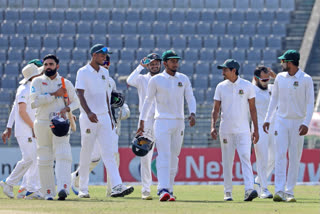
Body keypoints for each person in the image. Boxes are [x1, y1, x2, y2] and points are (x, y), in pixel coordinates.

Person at [75, 44, 133, 198]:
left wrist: (109, 117)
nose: (105, 58)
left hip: (104, 117)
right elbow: (79, 94)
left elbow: (106, 97)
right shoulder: (83, 72)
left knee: (109, 153)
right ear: (94, 55)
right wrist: (88, 112)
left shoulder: (104, 73)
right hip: (89, 117)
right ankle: (83, 189)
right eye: (102, 55)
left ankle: (117, 186)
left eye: (105, 56)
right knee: (86, 152)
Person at [138, 50, 196, 202]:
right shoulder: (156, 80)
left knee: (174, 157)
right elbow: (148, 101)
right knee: (163, 155)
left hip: (179, 122)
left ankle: (169, 189)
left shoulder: (183, 78)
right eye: (172, 61)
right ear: (165, 63)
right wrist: (142, 121)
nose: (175, 63)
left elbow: (190, 97)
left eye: (177, 61)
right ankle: (163, 188)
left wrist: (193, 113)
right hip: (162, 121)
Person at [263, 50, 314, 202]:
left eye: (283, 61)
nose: (282, 64)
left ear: (290, 62)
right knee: (280, 155)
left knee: (294, 157)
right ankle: (279, 190)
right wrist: (268, 119)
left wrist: (306, 123)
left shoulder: (306, 79)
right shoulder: (279, 77)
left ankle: (289, 191)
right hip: (281, 121)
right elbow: (274, 100)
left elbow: (310, 103)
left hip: (298, 122)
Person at [30, 54, 80, 200]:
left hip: (61, 123)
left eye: (51, 64)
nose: (48, 67)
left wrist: (67, 109)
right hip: (42, 122)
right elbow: (34, 102)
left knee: (63, 154)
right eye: (45, 65)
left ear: (57, 66)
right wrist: (53, 95)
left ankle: (63, 188)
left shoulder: (65, 82)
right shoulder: (37, 82)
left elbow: (76, 102)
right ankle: (48, 193)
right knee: (44, 158)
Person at [211, 59, 259, 202]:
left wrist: (256, 129)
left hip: (243, 130)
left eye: (225, 69)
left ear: (234, 71)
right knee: (227, 161)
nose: (223, 72)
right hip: (226, 130)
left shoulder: (247, 86)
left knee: (245, 158)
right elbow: (216, 109)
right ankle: (228, 192)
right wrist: (213, 125)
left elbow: (253, 109)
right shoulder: (220, 86)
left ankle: (249, 189)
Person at [0, 63, 42, 199]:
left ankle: (29, 190)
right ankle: (9, 182)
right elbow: (21, 111)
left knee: (34, 159)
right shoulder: (24, 90)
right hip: (25, 130)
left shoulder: (31, 88)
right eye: (38, 73)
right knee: (30, 158)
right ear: (34, 76)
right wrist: (33, 127)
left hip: (29, 129)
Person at [126, 53, 162, 200]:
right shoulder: (142, 79)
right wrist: (140, 65)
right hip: (146, 121)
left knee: (165, 154)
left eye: (156, 63)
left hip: (162, 119)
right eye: (151, 64)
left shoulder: (164, 79)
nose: (154, 66)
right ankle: (146, 189)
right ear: (148, 66)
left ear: (160, 65)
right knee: (145, 156)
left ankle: (164, 187)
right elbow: (129, 80)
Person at [252, 66, 277, 199]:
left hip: (273, 127)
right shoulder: (252, 90)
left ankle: (258, 180)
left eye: (268, 79)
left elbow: (285, 85)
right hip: (258, 127)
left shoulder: (272, 88)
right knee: (262, 158)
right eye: (263, 79)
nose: (266, 81)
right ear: (256, 78)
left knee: (273, 157)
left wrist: (274, 76)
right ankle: (264, 189)